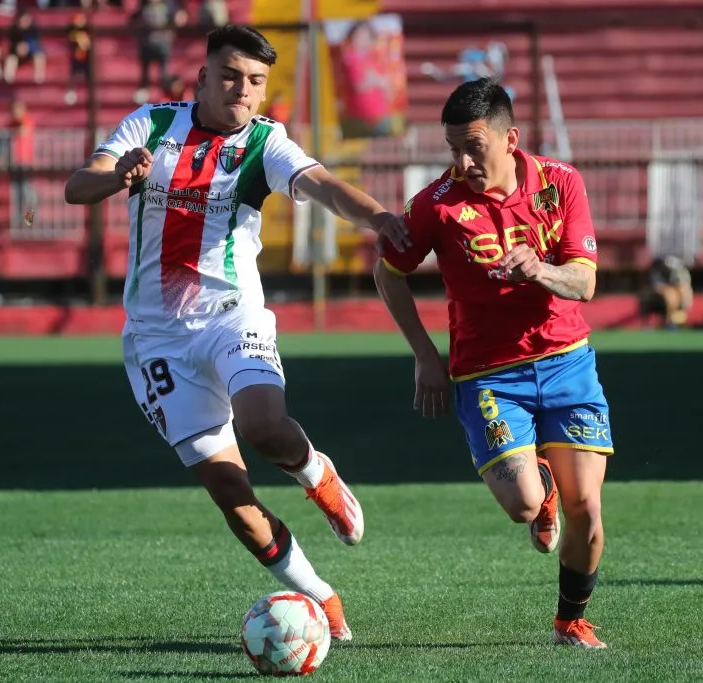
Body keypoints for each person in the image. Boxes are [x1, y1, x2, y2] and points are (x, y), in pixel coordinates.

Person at [64, 24, 409, 643]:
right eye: (229, 77)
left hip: (231, 316)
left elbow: (323, 186)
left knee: (263, 427)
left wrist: (378, 216)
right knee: (233, 497)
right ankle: (321, 595)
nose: (242, 91)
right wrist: (121, 176)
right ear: (201, 78)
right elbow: (77, 186)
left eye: (254, 81)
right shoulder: (150, 125)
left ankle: (315, 474)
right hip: (157, 343)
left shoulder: (266, 144)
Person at [373, 77, 612, 649]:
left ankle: (570, 621)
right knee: (523, 504)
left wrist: (541, 271)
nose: (461, 161)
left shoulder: (560, 184)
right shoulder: (436, 203)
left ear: (511, 139)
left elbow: (584, 281)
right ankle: (541, 490)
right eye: (452, 148)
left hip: (567, 363)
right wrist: (425, 357)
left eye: (473, 147)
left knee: (588, 510)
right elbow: (389, 272)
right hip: (488, 375)